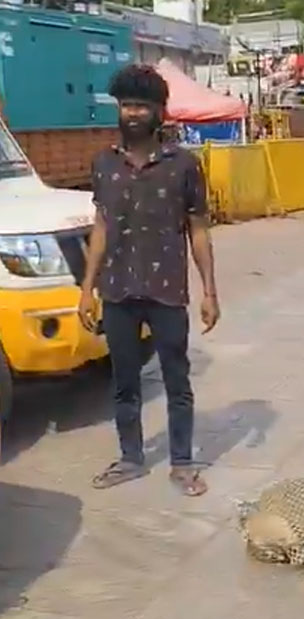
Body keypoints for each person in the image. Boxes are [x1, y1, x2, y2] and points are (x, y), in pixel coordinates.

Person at [76, 64, 220, 497]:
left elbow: (198, 229)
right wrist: (87, 288)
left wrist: (210, 291)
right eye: (126, 105)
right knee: (124, 382)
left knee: (177, 381)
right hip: (118, 290)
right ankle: (131, 458)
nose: (133, 113)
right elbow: (100, 227)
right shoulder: (104, 164)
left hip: (167, 292)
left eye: (142, 105)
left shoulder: (183, 166)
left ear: (160, 112)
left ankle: (181, 463)